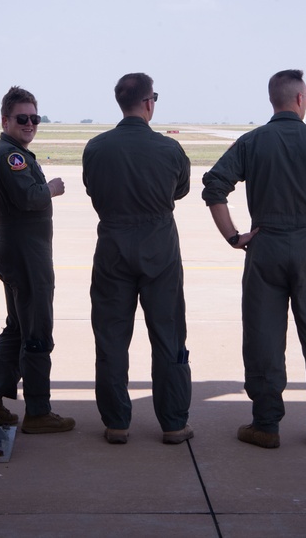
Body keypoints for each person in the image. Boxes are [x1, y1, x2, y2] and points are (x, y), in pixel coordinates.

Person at [201, 69, 306, 449]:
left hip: (264, 249)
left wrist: (234, 236)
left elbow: (214, 187)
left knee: (263, 336)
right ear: (299, 100)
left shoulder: (251, 141)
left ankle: (266, 425)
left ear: (273, 100)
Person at [82, 73, 193, 445]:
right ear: (148, 103)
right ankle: (174, 423)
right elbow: (181, 189)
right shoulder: (169, 150)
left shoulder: (96, 148)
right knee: (168, 334)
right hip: (159, 246)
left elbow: (92, 189)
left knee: (111, 337)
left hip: (112, 244)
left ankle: (116, 422)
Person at [0, 86, 75, 434]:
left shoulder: (12, 152)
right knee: (37, 329)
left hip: (16, 250)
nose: (30, 124)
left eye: (34, 118)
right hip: (26, 255)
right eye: (22, 118)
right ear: (6, 120)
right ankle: (38, 411)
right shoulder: (11, 156)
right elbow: (29, 197)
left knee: (17, 327)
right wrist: (51, 188)